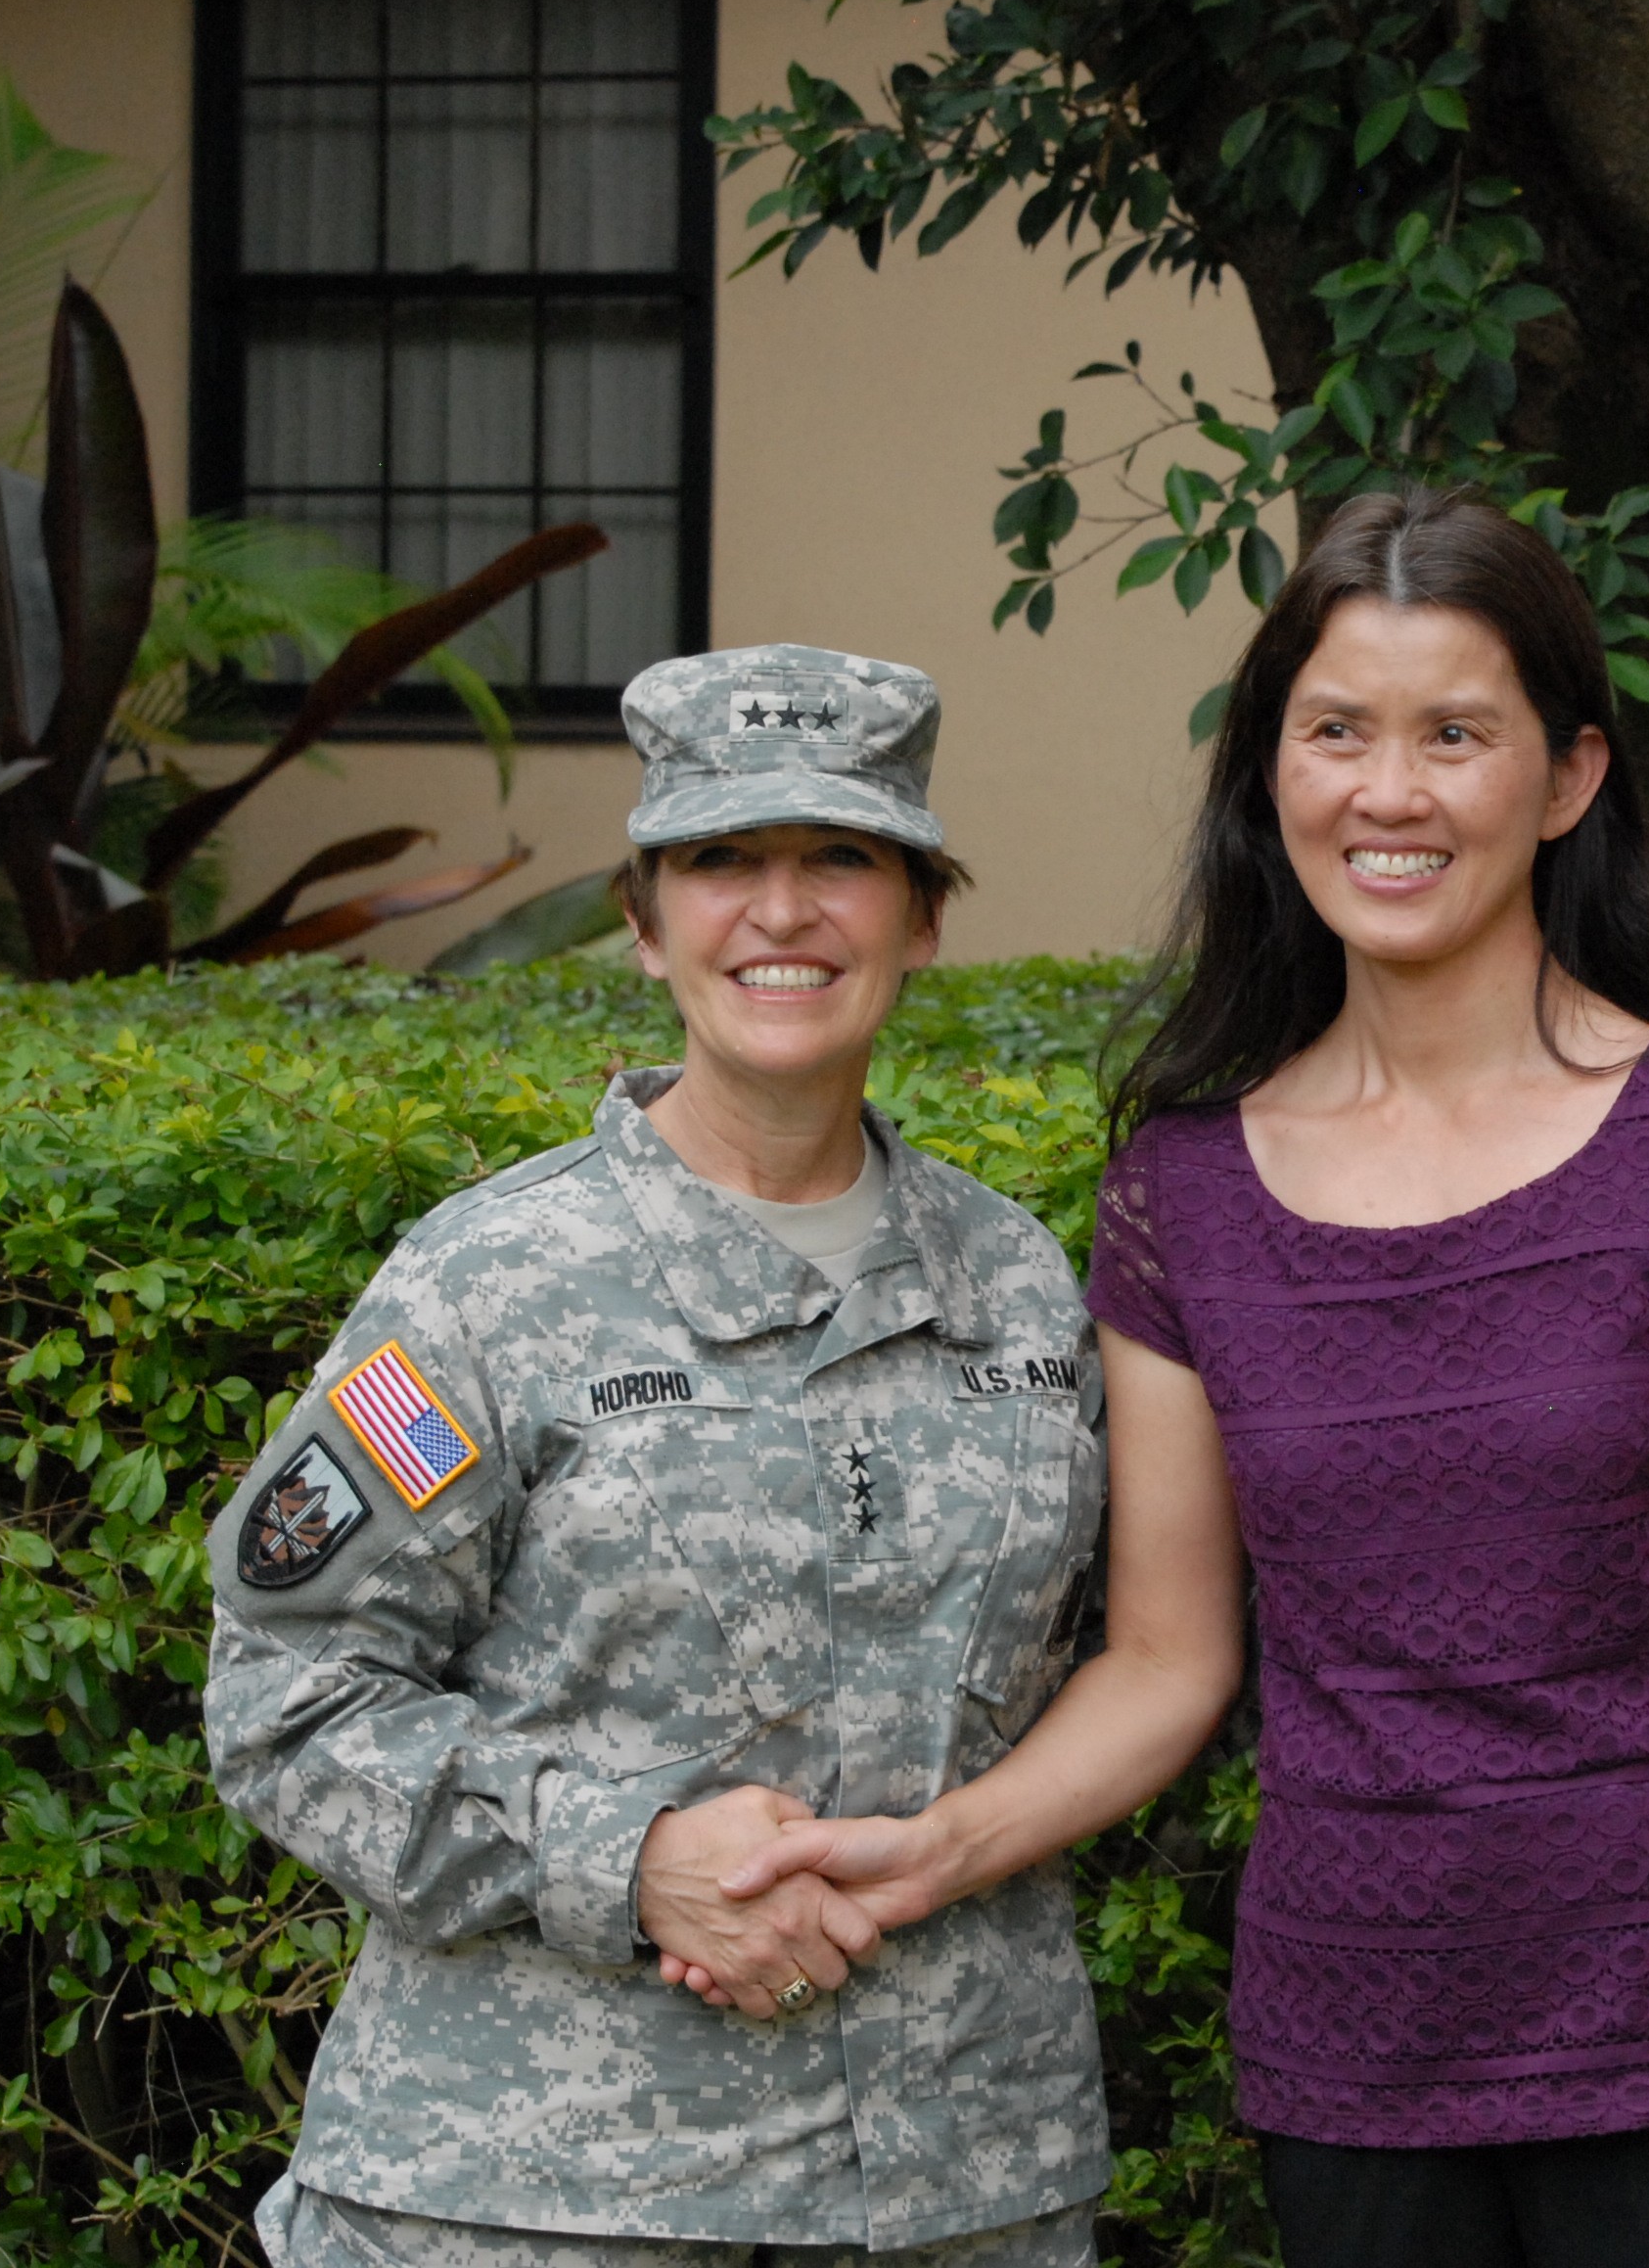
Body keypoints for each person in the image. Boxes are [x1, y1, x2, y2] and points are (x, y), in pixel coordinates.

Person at [709, 491, 1649, 2268]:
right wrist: (934, 1850)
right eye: (1336, 731)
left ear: (1565, 778)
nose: (1389, 792)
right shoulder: (1183, 1196)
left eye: (1455, 736)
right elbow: (1176, 1656)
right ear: (1272, 772)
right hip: (1357, 2065)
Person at [204, 646, 1111, 2266]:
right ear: (642, 923)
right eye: (720, 862)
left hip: (957, 2184)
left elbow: (1119, 1671)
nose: (782, 911)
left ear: (923, 915)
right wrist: (624, 1860)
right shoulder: (487, 1283)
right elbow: (286, 1699)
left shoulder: (1021, 1281)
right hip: (530, 2198)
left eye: (841, 858)